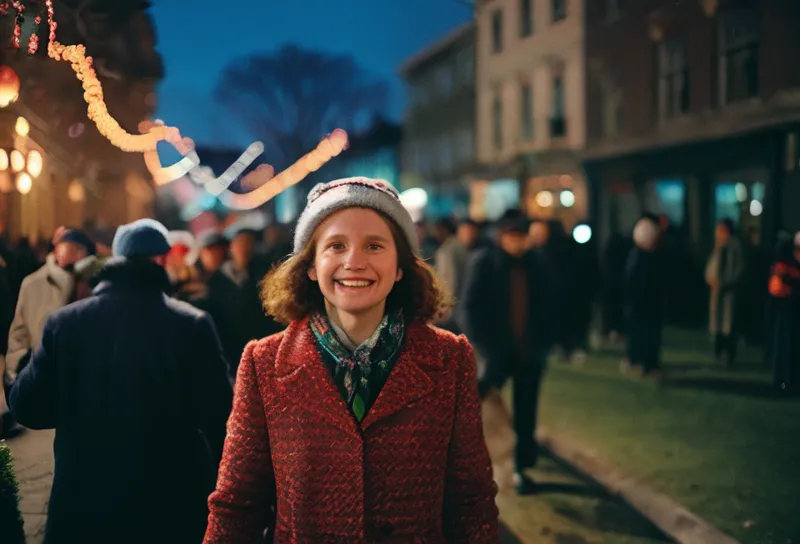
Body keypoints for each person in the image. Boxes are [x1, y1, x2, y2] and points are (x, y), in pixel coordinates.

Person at [204, 177, 499, 543]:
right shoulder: (264, 364)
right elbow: (238, 505)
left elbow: (471, 501)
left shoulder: (450, 359)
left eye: (374, 245)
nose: (354, 262)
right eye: (336, 246)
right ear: (311, 266)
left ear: (400, 266)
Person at [9, 218, 233, 544]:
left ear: (115, 260)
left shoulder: (65, 323)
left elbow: (28, 408)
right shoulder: (191, 324)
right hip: (169, 503)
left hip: (84, 501)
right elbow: (220, 416)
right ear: (160, 260)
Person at [458, 208, 552, 495]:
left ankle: (520, 468)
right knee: (481, 410)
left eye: (522, 235)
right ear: (501, 236)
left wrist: (542, 344)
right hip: (495, 354)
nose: (518, 241)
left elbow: (550, 305)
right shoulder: (484, 262)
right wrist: (486, 348)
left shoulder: (536, 263)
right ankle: (472, 464)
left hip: (529, 353)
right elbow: (469, 309)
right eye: (512, 235)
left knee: (526, 413)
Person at [705, 218, 746, 367]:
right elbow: (711, 267)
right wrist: (711, 280)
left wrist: (724, 283)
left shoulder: (734, 246)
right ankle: (718, 351)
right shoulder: (718, 246)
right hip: (717, 292)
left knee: (728, 324)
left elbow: (737, 270)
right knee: (718, 324)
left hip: (729, 293)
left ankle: (728, 354)